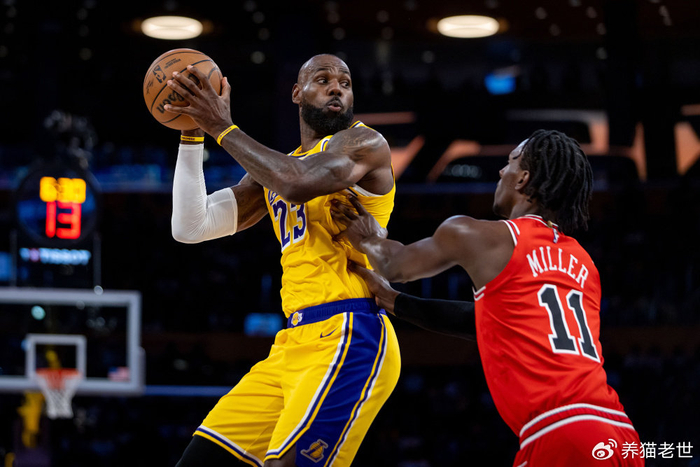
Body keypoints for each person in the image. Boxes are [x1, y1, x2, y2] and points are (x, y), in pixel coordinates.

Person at [330, 130, 644, 466]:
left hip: (558, 431)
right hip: (620, 433)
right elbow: (489, 323)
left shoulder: (481, 236)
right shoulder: (584, 262)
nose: (501, 171)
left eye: (510, 162)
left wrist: (367, 236)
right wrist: (396, 302)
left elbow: (396, 265)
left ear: (523, 179)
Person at [165, 54, 401, 467]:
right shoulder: (276, 170)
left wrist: (221, 126)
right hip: (292, 342)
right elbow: (191, 225)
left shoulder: (365, 144)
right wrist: (192, 133)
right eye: (322, 79)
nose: (336, 88)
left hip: (350, 332)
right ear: (296, 93)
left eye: (345, 82)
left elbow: (298, 182)